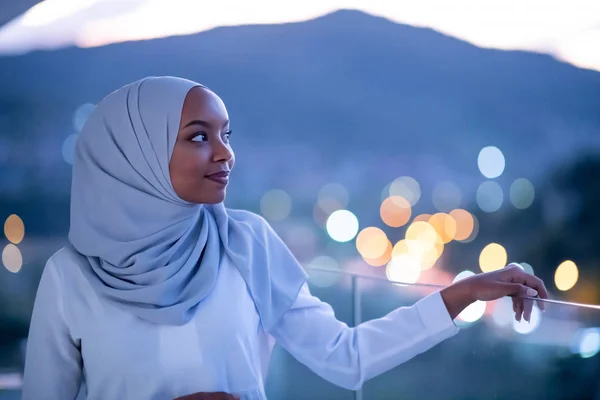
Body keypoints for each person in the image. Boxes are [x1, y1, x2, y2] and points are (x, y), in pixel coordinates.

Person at [21, 77, 549, 400]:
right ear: (133, 154)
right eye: (199, 137)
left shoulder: (247, 243)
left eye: (227, 135)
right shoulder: (70, 278)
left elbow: (346, 358)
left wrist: (463, 292)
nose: (225, 153)